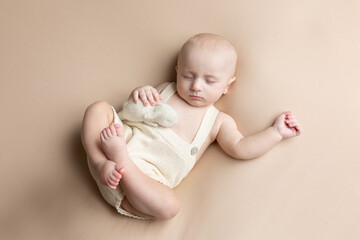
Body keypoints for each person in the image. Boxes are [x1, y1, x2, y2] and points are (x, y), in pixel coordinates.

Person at [81, 33, 302, 220]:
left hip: (140, 185)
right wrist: (139, 93)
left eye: (209, 81)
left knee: (170, 208)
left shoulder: (218, 121)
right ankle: (100, 161)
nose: (196, 86)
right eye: (188, 76)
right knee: (97, 109)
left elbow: (241, 147)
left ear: (228, 85)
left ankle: (122, 162)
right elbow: (135, 111)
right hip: (111, 150)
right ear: (177, 71)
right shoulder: (166, 89)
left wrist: (275, 132)